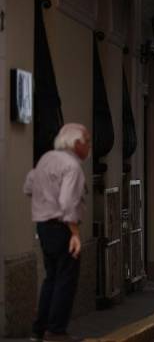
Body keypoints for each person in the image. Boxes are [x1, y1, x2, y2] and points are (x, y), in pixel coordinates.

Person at [24, 123, 90, 342]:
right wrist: (75, 234)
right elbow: (68, 202)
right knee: (66, 279)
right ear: (75, 143)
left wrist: (45, 202)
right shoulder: (72, 166)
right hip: (63, 227)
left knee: (51, 277)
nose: (89, 146)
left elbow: (28, 186)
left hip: (43, 225)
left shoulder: (46, 159)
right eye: (87, 141)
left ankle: (39, 329)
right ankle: (56, 330)